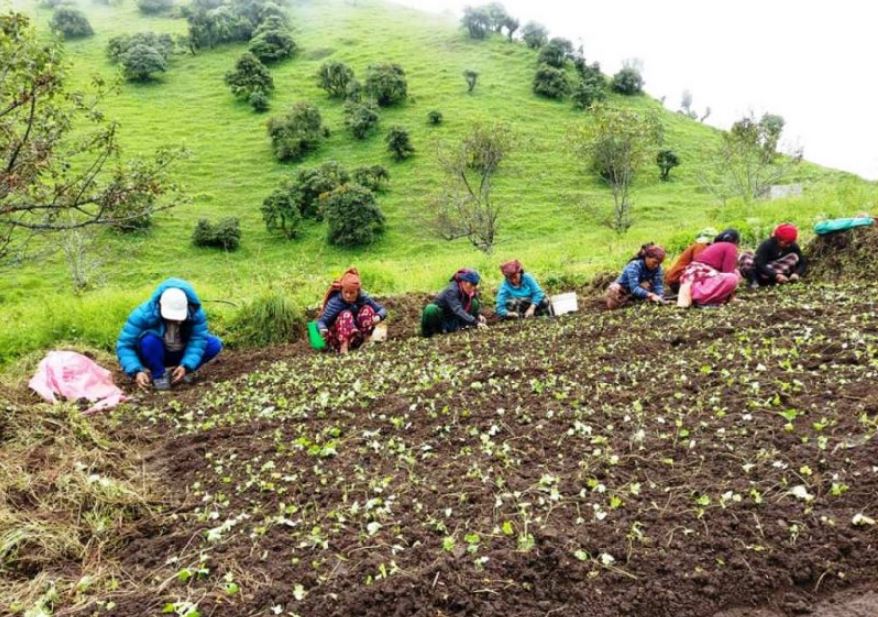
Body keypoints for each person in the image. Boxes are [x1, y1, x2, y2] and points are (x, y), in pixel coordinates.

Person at [116, 278, 222, 391]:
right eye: (172, 318)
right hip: (154, 353)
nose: (178, 322)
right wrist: (136, 371)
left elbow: (197, 341)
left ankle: (179, 371)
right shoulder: (143, 314)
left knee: (213, 344)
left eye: (181, 318)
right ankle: (159, 375)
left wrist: (186, 365)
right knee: (149, 341)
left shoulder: (195, 313)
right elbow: (125, 345)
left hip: (180, 351)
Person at [317, 267, 387, 354]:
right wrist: (322, 329)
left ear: (358, 292)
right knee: (346, 314)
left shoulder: (363, 298)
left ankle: (365, 342)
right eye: (345, 292)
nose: (348, 295)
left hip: (357, 335)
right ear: (341, 290)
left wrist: (378, 317)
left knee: (367, 309)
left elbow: (382, 310)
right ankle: (344, 347)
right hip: (337, 337)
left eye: (352, 293)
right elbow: (321, 321)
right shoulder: (335, 302)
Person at [679, 228, 742, 307]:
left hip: (695, 282)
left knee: (735, 274)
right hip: (700, 286)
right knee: (733, 277)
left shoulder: (715, 245)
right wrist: (732, 296)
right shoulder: (731, 247)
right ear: (736, 241)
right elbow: (728, 271)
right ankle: (705, 300)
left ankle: (703, 298)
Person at [421, 268, 487, 337]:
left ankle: (461, 327)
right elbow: (457, 309)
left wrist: (478, 315)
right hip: (443, 318)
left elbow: (472, 300)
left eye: (475, 285)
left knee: (474, 303)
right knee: (430, 309)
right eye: (471, 285)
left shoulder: (468, 290)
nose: (473, 288)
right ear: (463, 282)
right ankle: (429, 334)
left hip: (454, 318)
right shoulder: (452, 290)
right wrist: (475, 322)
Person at [739, 224, 806, 288]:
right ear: (778, 239)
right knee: (746, 256)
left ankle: (771, 280)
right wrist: (775, 275)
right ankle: (754, 280)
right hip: (760, 270)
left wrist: (796, 273)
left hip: (776, 268)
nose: (788, 245)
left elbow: (802, 262)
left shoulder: (793, 246)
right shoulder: (767, 245)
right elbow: (759, 264)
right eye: (786, 243)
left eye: (790, 243)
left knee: (793, 257)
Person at [605, 244, 668, 309]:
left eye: (659, 263)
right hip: (623, 290)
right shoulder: (634, 265)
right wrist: (651, 295)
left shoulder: (657, 268)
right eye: (654, 262)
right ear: (647, 257)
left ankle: (633, 301)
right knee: (614, 289)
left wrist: (660, 296)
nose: (656, 265)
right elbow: (634, 288)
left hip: (638, 289)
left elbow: (658, 285)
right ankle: (625, 301)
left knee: (647, 285)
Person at [664, 228, 717, 293]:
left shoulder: (699, 246)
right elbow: (699, 265)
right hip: (678, 280)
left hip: (680, 279)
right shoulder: (700, 246)